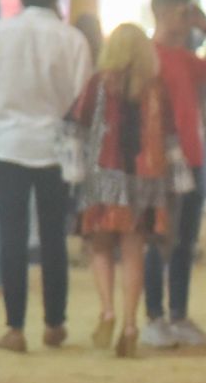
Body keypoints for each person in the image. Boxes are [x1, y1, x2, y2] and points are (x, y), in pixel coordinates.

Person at [0, 0, 92, 353]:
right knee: (54, 237)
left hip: (8, 147)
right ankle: (55, 324)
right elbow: (83, 101)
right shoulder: (72, 39)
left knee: (12, 238)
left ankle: (15, 328)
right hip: (55, 149)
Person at [68, 24, 179, 358]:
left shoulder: (99, 82)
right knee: (134, 254)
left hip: (104, 174)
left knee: (99, 247)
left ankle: (108, 311)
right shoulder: (156, 87)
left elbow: (79, 123)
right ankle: (131, 325)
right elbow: (170, 134)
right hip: (145, 179)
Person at [143, 0, 206, 349]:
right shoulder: (146, 56)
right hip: (158, 163)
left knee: (185, 241)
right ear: (165, 12)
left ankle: (178, 315)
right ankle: (155, 316)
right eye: (183, 13)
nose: (186, 19)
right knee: (158, 239)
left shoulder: (182, 56)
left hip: (192, 159)